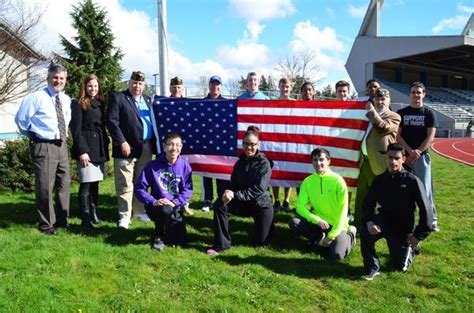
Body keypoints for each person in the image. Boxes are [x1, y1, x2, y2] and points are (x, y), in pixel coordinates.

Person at [360, 143, 433, 280]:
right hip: (384, 221)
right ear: (386, 158)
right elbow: (368, 204)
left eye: (397, 158)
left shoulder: (412, 181)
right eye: (390, 157)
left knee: (400, 267)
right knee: (365, 231)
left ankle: (411, 248)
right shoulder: (380, 180)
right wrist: (369, 221)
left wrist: (418, 235)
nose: (393, 161)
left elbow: (426, 211)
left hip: (403, 228)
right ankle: (372, 267)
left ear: (403, 159)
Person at [15, 63, 71, 235]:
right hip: (43, 145)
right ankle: (46, 224)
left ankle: (62, 219)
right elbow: (21, 120)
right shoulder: (36, 97)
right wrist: (35, 135)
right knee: (46, 185)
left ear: (65, 81)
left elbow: (65, 121)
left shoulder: (66, 99)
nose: (58, 81)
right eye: (55, 77)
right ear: (48, 78)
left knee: (64, 183)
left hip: (61, 144)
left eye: (62, 78)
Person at [206, 126, 274, 255]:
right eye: (246, 144)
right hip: (243, 203)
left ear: (258, 144)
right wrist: (228, 192)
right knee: (219, 204)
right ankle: (222, 244)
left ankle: (269, 226)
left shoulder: (264, 163)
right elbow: (234, 184)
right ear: (242, 144)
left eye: (252, 144)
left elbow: (258, 189)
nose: (249, 148)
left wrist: (235, 195)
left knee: (260, 243)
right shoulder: (239, 163)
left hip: (260, 205)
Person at [106, 71, 156, 229]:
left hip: (146, 147)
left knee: (141, 182)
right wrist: (122, 141)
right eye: (134, 83)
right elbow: (112, 121)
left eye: (140, 83)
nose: (137, 86)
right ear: (129, 83)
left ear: (144, 84)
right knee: (125, 183)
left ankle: (139, 211)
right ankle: (124, 215)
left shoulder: (148, 100)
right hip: (126, 148)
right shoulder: (119, 98)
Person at [289, 148, 357, 260]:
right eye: (315, 160)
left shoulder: (338, 181)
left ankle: (351, 234)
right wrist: (316, 220)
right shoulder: (308, 181)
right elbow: (300, 207)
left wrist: (331, 236)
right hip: (319, 223)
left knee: (337, 255)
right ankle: (318, 237)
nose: (318, 163)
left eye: (321, 159)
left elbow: (343, 211)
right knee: (294, 222)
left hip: (338, 225)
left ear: (328, 161)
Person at [135, 132, 193, 251]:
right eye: (170, 144)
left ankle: (169, 232)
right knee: (165, 210)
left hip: (175, 205)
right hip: (157, 205)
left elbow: (188, 189)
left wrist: (176, 202)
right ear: (164, 146)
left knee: (182, 242)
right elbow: (139, 188)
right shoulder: (152, 166)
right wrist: (153, 201)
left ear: (181, 147)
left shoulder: (185, 166)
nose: (174, 148)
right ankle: (159, 235)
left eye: (177, 145)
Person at [354, 89, 401, 230]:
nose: (380, 102)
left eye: (383, 99)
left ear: (389, 101)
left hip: (380, 163)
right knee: (361, 196)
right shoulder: (367, 115)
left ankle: (382, 225)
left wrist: (372, 112)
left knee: (381, 198)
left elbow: (383, 128)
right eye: (377, 99)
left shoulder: (394, 116)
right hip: (365, 161)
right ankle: (358, 224)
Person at [396, 82, 439, 231]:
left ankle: (431, 221)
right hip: (404, 158)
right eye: (413, 92)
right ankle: (405, 221)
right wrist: (409, 151)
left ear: (424, 94)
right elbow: (398, 136)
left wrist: (418, 152)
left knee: (425, 190)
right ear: (410, 94)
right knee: (404, 190)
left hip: (422, 158)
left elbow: (431, 137)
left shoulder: (429, 113)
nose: (416, 95)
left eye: (419, 92)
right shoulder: (401, 113)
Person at [70, 74, 109, 228]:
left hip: (99, 147)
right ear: (84, 87)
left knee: (95, 184)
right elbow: (76, 130)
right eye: (90, 86)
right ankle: (85, 217)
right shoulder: (78, 103)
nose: (93, 89)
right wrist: (82, 150)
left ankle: (94, 213)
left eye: (95, 86)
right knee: (86, 183)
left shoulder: (100, 103)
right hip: (86, 147)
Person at [201, 75, 231, 212]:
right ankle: (207, 200)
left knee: (220, 172)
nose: (215, 87)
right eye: (213, 84)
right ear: (209, 86)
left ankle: (220, 198)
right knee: (206, 172)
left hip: (221, 143)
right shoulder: (202, 103)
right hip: (206, 142)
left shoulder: (227, 103)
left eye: (217, 84)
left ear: (221, 86)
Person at [272, 78, 295, 212]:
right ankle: (276, 200)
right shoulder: (273, 103)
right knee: (275, 171)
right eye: (282, 86)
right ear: (279, 87)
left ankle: (286, 200)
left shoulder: (296, 103)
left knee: (288, 171)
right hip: (276, 141)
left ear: (291, 88)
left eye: (287, 87)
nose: (285, 89)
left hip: (290, 142)